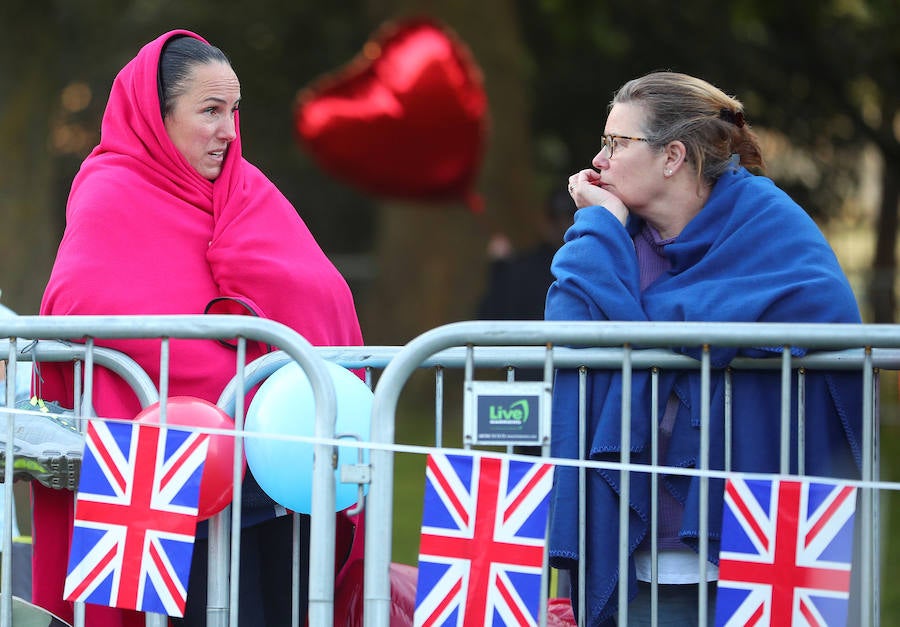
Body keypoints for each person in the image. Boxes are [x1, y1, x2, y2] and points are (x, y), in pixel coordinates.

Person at [34, 31, 364, 627]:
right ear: (156, 120)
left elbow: (324, 296)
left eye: (234, 111)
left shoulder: (247, 187)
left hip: (275, 489)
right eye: (210, 111)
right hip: (162, 489)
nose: (230, 132)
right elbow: (84, 310)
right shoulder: (111, 193)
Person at [544, 71, 862, 626]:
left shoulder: (765, 220)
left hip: (752, 552)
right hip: (629, 548)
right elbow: (570, 326)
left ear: (672, 157)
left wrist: (646, 324)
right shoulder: (615, 231)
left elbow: (823, 304)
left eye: (618, 143)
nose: (599, 160)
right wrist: (597, 225)